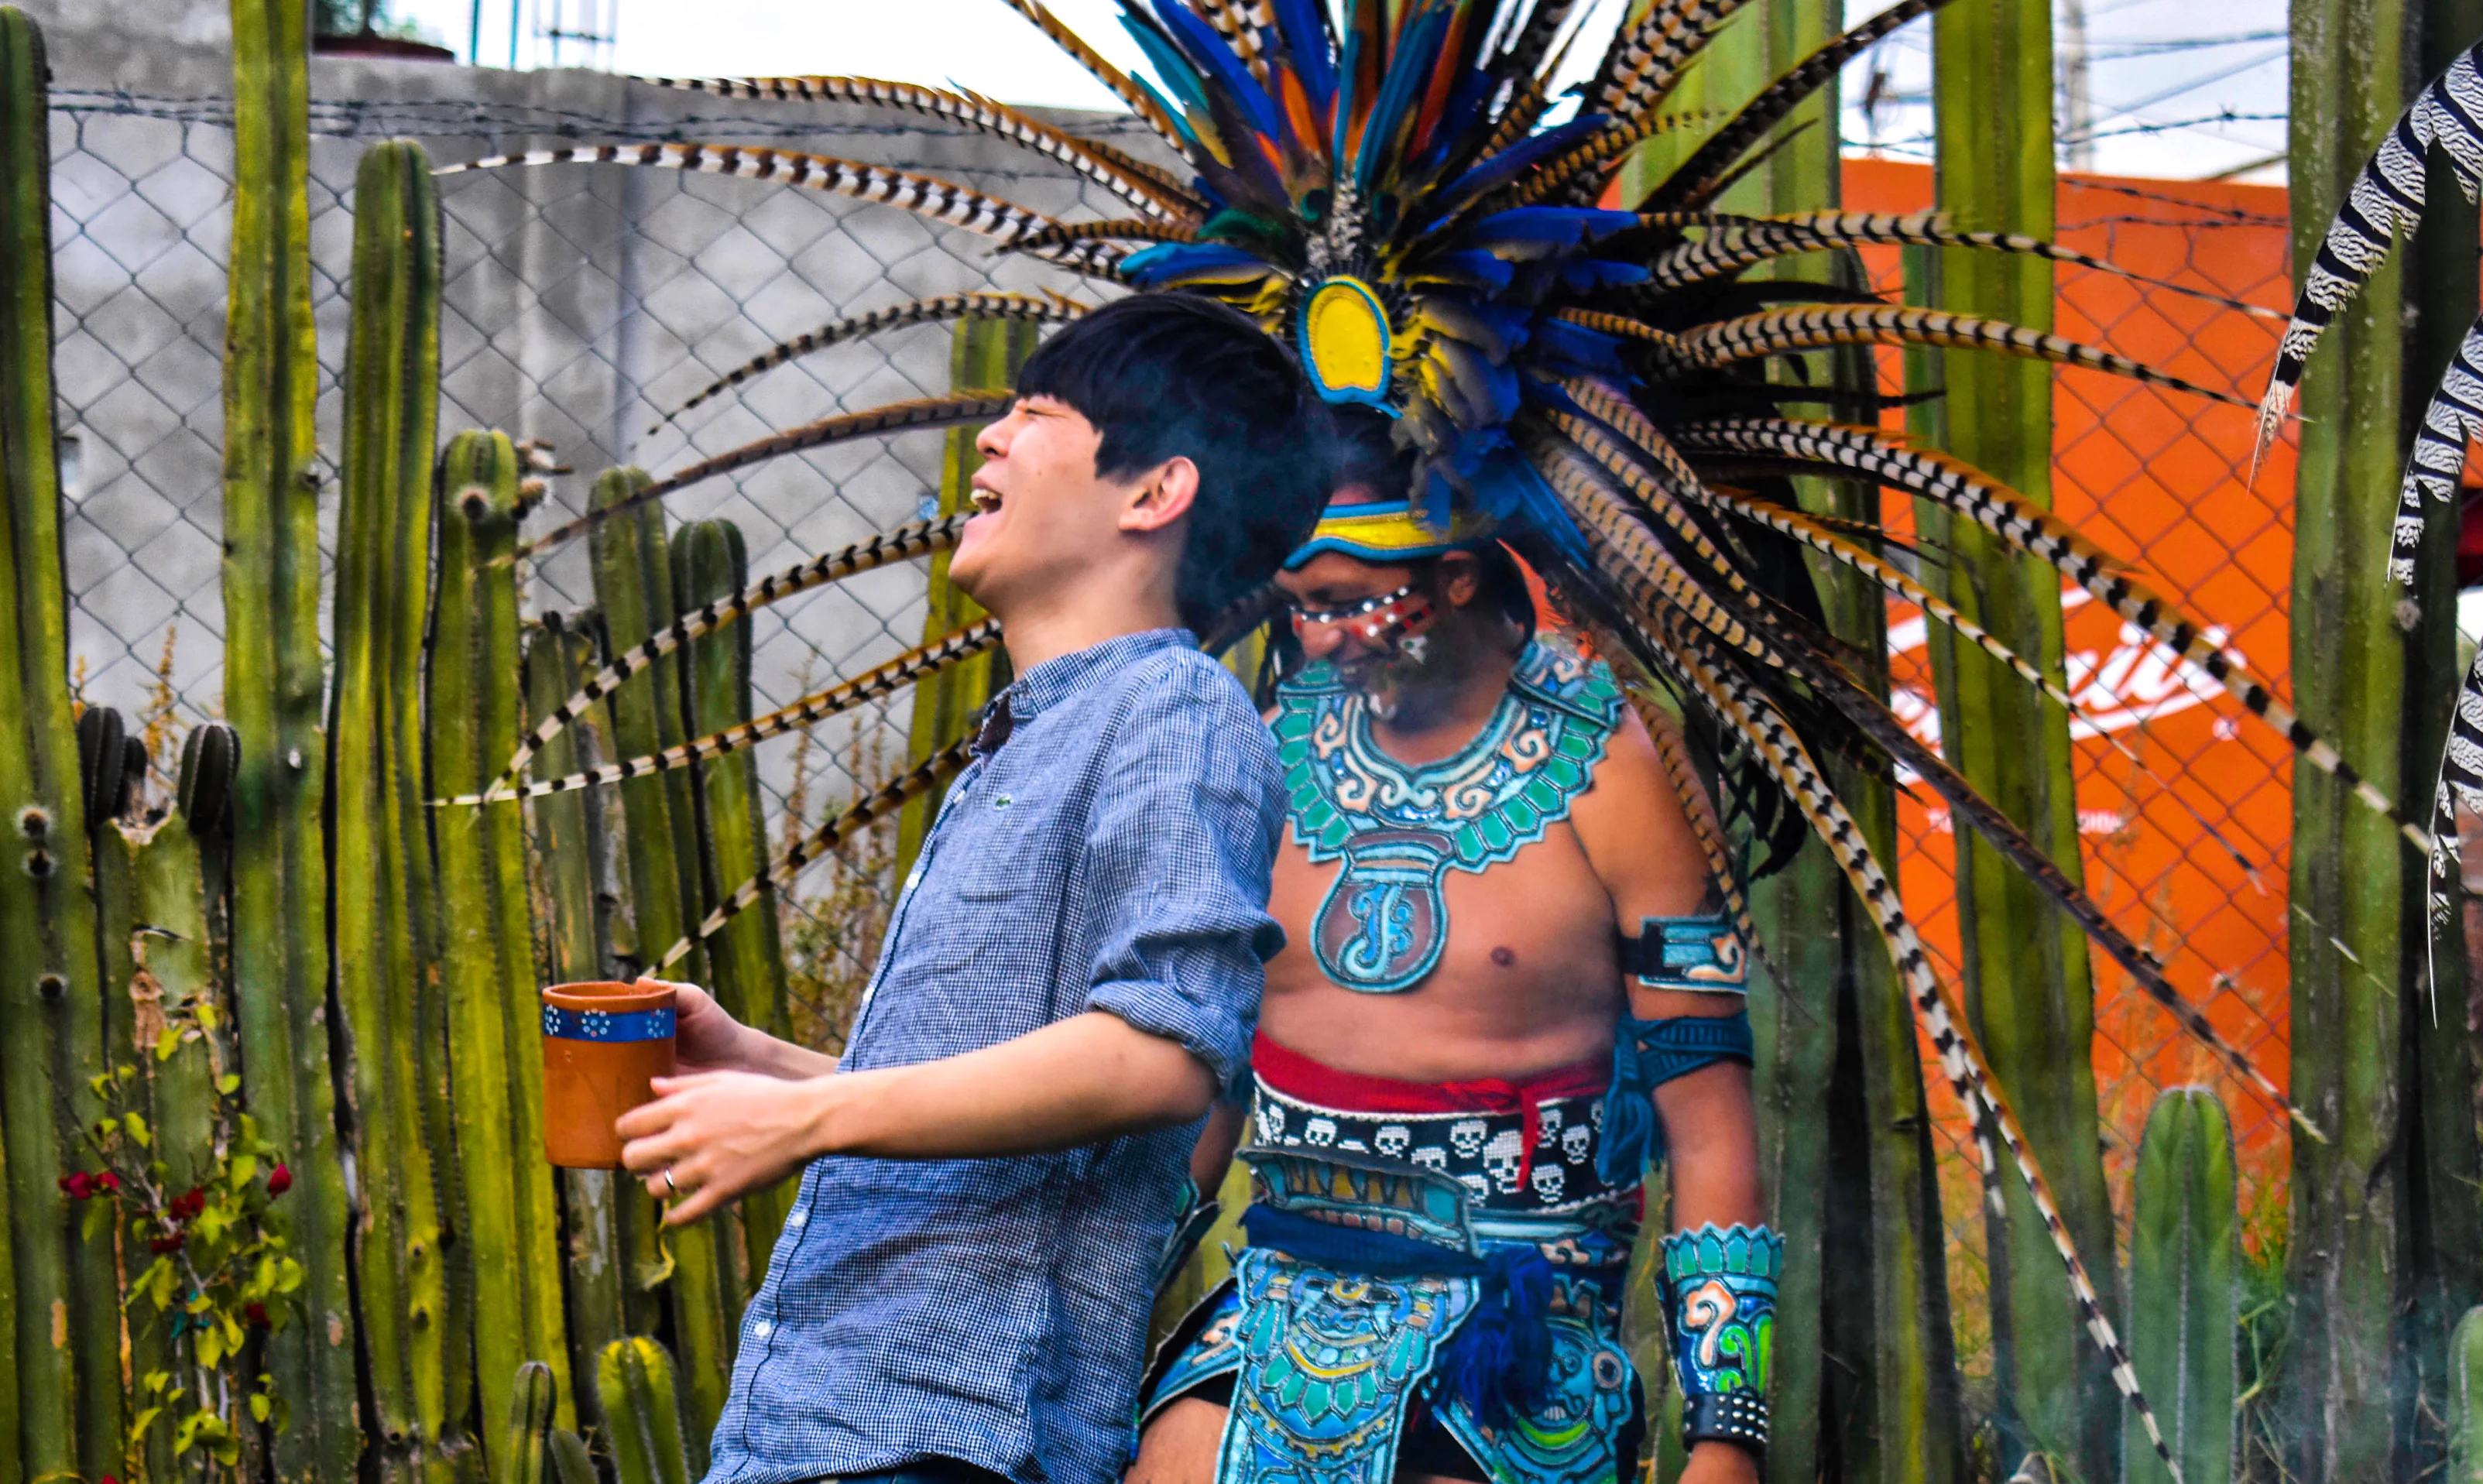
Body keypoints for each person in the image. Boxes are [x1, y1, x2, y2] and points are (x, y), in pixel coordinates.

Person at [616, 293, 1329, 1484]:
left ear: (1154, 494)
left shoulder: (1175, 713)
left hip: (956, 1437)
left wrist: (809, 1120)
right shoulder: (1037, 736)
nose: (990, 439)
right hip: (837, 1421)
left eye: (1034, 414)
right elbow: (1018, 1116)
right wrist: (775, 1069)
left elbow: (1160, 1057)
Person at [1129, 410, 1777, 1484]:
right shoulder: (1275, 745)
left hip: (1516, 1323)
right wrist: (1096, 1315)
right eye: (1300, 613)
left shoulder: (1614, 770)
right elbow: (1209, 1078)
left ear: (1462, 577)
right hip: (1276, 1303)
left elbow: (1706, 1121)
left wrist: (1727, 1436)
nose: (1318, 642)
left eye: (1347, 606)